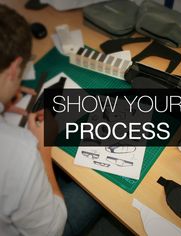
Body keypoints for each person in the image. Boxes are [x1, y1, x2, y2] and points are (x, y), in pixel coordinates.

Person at [0, 4, 103, 236]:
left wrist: (5, 99)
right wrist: (43, 151)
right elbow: (51, 231)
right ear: (15, 68)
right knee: (96, 190)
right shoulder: (19, 153)